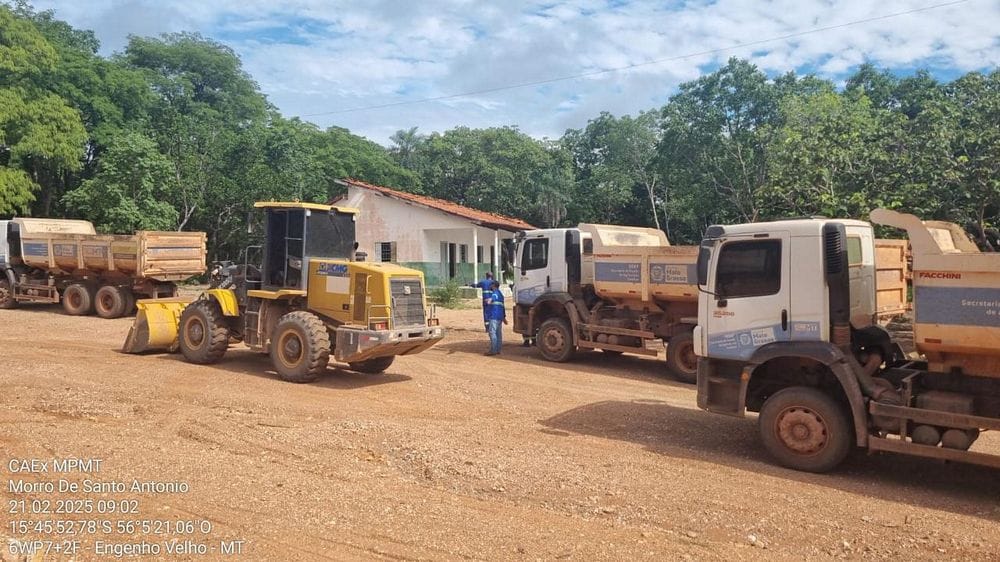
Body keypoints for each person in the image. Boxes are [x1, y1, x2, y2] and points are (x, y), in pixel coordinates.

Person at [484, 280, 507, 356]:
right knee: (498, 334)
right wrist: (504, 317)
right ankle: (498, 350)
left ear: (493, 286)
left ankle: (493, 350)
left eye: (491, 285)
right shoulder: (501, 294)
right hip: (499, 316)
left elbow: (491, 300)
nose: (490, 286)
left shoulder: (495, 293)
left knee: (492, 332)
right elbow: (502, 306)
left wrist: (488, 301)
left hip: (494, 316)